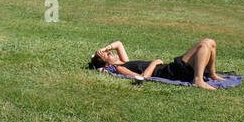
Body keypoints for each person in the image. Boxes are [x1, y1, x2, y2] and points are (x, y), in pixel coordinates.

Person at [88, 38, 220, 89]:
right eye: (108, 56)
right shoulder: (119, 68)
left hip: (170, 68)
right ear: (107, 65)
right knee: (206, 44)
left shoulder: (125, 62)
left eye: (109, 52)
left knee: (210, 43)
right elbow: (143, 77)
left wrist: (104, 49)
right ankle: (198, 80)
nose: (111, 53)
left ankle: (212, 75)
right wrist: (155, 62)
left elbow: (118, 44)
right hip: (170, 72)